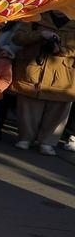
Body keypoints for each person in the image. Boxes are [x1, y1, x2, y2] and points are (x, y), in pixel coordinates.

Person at [9, 12, 75, 155]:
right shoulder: (36, 16)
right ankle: (26, 138)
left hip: (64, 77)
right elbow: (17, 38)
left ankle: (47, 142)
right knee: (27, 107)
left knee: (58, 111)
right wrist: (40, 35)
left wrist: (62, 51)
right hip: (33, 71)